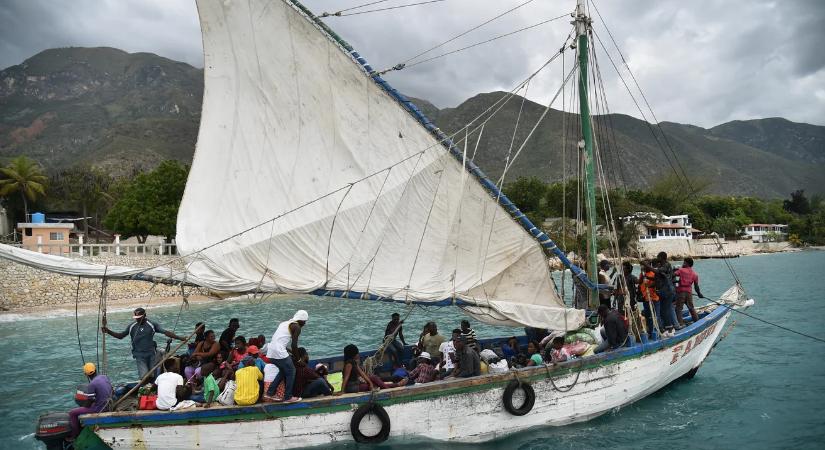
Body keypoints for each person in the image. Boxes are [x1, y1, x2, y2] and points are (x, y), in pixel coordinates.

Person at [101, 307, 186, 379]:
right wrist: (108, 331)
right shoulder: (132, 326)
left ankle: (151, 391)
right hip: (139, 355)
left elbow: (166, 332)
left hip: (151, 354)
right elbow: (121, 336)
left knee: (152, 375)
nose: (137, 319)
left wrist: (180, 338)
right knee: (144, 376)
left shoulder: (152, 324)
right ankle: (145, 387)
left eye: (139, 317)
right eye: (136, 317)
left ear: (145, 315)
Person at [264, 310, 308, 403]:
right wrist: (299, 359)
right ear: (302, 320)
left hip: (271, 350)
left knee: (284, 370)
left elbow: (280, 341)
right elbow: (294, 345)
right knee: (292, 370)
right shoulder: (297, 327)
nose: (305, 324)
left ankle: (270, 392)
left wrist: (291, 353)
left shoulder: (285, 323)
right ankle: (288, 397)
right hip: (279, 351)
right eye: (305, 322)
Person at [337, 344, 405, 394]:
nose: (358, 354)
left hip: (357, 384)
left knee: (374, 378)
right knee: (375, 385)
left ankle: (396, 385)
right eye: (357, 352)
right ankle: (394, 387)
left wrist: (370, 383)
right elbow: (346, 378)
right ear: (353, 354)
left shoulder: (354, 362)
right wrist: (342, 391)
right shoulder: (349, 364)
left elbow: (362, 374)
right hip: (352, 387)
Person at [68, 363, 112, 439]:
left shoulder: (92, 384)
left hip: (100, 408)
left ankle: (75, 435)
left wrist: (84, 407)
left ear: (86, 374)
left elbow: (90, 402)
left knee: (72, 413)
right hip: (108, 404)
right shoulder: (104, 377)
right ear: (95, 370)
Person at [644, 252, 679, 335]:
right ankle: (668, 327)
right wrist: (647, 278)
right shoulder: (661, 266)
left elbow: (656, 271)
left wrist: (646, 265)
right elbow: (657, 279)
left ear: (662, 257)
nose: (657, 258)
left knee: (666, 310)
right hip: (662, 292)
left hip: (667, 291)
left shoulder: (666, 265)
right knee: (663, 311)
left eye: (658, 257)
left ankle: (670, 328)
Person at [674, 257, 704, 325]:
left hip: (681, 292)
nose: (683, 263)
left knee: (678, 309)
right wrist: (699, 294)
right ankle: (697, 321)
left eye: (684, 262)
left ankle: (680, 324)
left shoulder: (681, 270)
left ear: (686, 263)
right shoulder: (695, 274)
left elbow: (673, 275)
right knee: (691, 308)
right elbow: (696, 286)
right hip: (689, 293)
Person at [639, 260, 661, 338]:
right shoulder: (642, 274)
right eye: (643, 266)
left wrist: (648, 283)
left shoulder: (653, 274)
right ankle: (650, 332)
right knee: (648, 316)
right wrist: (642, 276)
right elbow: (640, 283)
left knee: (655, 316)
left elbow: (656, 283)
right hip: (646, 298)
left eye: (645, 265)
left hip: (654, 298)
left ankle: (657, 331)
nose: (644, 267)